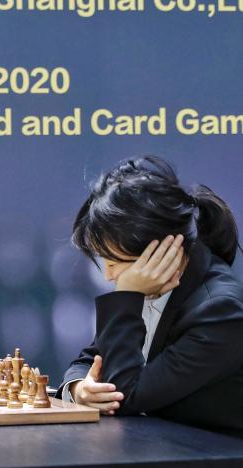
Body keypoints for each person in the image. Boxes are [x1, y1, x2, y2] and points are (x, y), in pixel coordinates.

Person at [58, 155, 243, 437]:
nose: (108, 276)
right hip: (159, 445)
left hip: (216, 456)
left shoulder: (220, 310)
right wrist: (80, 388)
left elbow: (125, 395)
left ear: (158, 252)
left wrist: (128, 293)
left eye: (115, 263)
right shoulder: (153, 286)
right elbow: (90, 359)